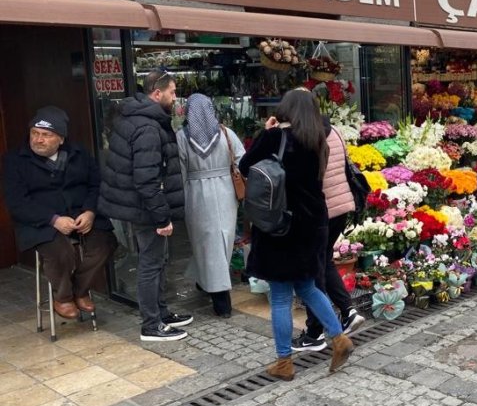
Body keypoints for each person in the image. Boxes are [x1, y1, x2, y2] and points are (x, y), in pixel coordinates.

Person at [239, 89, 353, 380]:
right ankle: (339, 339)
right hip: (313, 223)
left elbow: (244, 166)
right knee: (307, 286)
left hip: (281, 225)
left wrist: (266, 133)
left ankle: (284, 363)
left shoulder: (275, 137)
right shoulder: (318, 139)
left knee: (279, 296)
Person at [99, 70, 192, 342]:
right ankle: (152, 324)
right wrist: (162, 218)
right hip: (145, 208)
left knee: (158, 261)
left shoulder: (140, 119)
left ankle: (161, 312)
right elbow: (146, 179)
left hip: (142, 205)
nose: (175, 98)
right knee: (151, 264)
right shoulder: (148, 128)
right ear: (157, 93)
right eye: (172, 92)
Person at [3, 107, 117, 318]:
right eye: (34, 133)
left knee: (106, 243)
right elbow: (17, 202)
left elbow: (96, 184)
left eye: (46, 135)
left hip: (80, 215)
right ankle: (64, 297)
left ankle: (80, 291)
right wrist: (53, 220)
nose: (38, 139)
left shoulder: (79, 154)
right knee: (61, 253)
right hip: (41, 222)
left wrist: (90, 211)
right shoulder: (15, 161)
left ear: (61, 139)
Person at [291, 116, 366, 352]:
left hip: (322, 210)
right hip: (343, 206)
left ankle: (315, 332)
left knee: (316, 268)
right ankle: (348, 311)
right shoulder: (333, 130)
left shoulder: (305, 137)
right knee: (323, 262)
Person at [176, 94, 245, 318]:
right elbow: (242, 160)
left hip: (196, 194)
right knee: (222, 242)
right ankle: (205, 283)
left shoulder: (182, 138)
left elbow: (180, 171)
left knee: (204, 243)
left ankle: (220, 300)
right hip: (226, 193)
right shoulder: (226, 133)